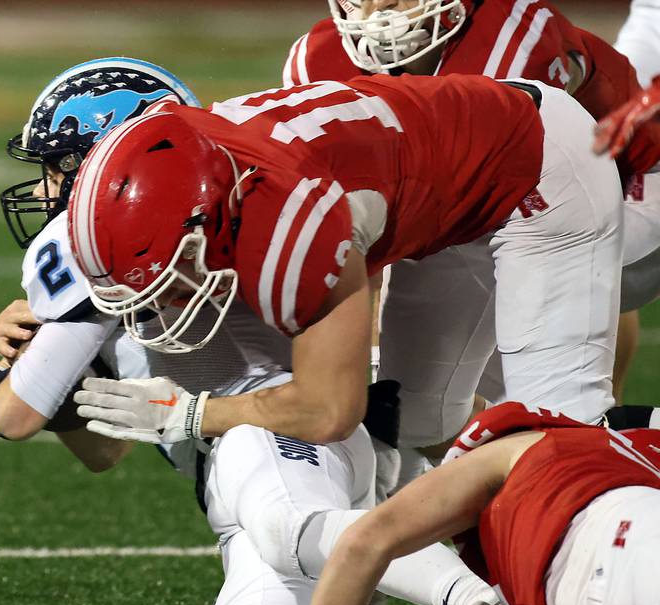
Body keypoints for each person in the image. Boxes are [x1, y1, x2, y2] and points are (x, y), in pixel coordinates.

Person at [0, 58, 517, 605]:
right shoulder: (172, 226)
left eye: (57, 169)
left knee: (286, 523)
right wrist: (50, 366)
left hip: (281, 422)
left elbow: (13, 415)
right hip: (237, 455)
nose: (47, 192)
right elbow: (104, 451)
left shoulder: (126, 232)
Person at [70, 73, 623, 466]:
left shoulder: (289, 224)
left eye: (173, 277)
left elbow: (327, 409)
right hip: (448, 188)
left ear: (203, 228)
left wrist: (189, 415)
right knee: (419, 419)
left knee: (561, 436)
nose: (162, 303)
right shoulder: (178, 159)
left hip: (539, 173)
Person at [282, 0, 660, 404]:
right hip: (519, 197)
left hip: (634, 186)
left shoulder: (507, 44)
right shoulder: (315, 59)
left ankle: (582, 429)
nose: (380, 6)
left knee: (521, 395)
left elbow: (439, 217)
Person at [292, 400, 660, 605]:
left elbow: (364, 543)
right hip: (616, 562)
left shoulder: (515, 451)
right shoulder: (624, 453)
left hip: (606, 554)